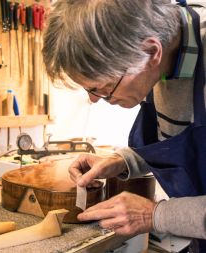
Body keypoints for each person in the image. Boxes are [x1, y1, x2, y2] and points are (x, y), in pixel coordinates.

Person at [42, 0, 206, 252]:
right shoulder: (164, 54)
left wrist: (154, 216)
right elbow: (180, 141)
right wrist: (124, 161)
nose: (94, 100)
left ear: (152, 53)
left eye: (103, 88)